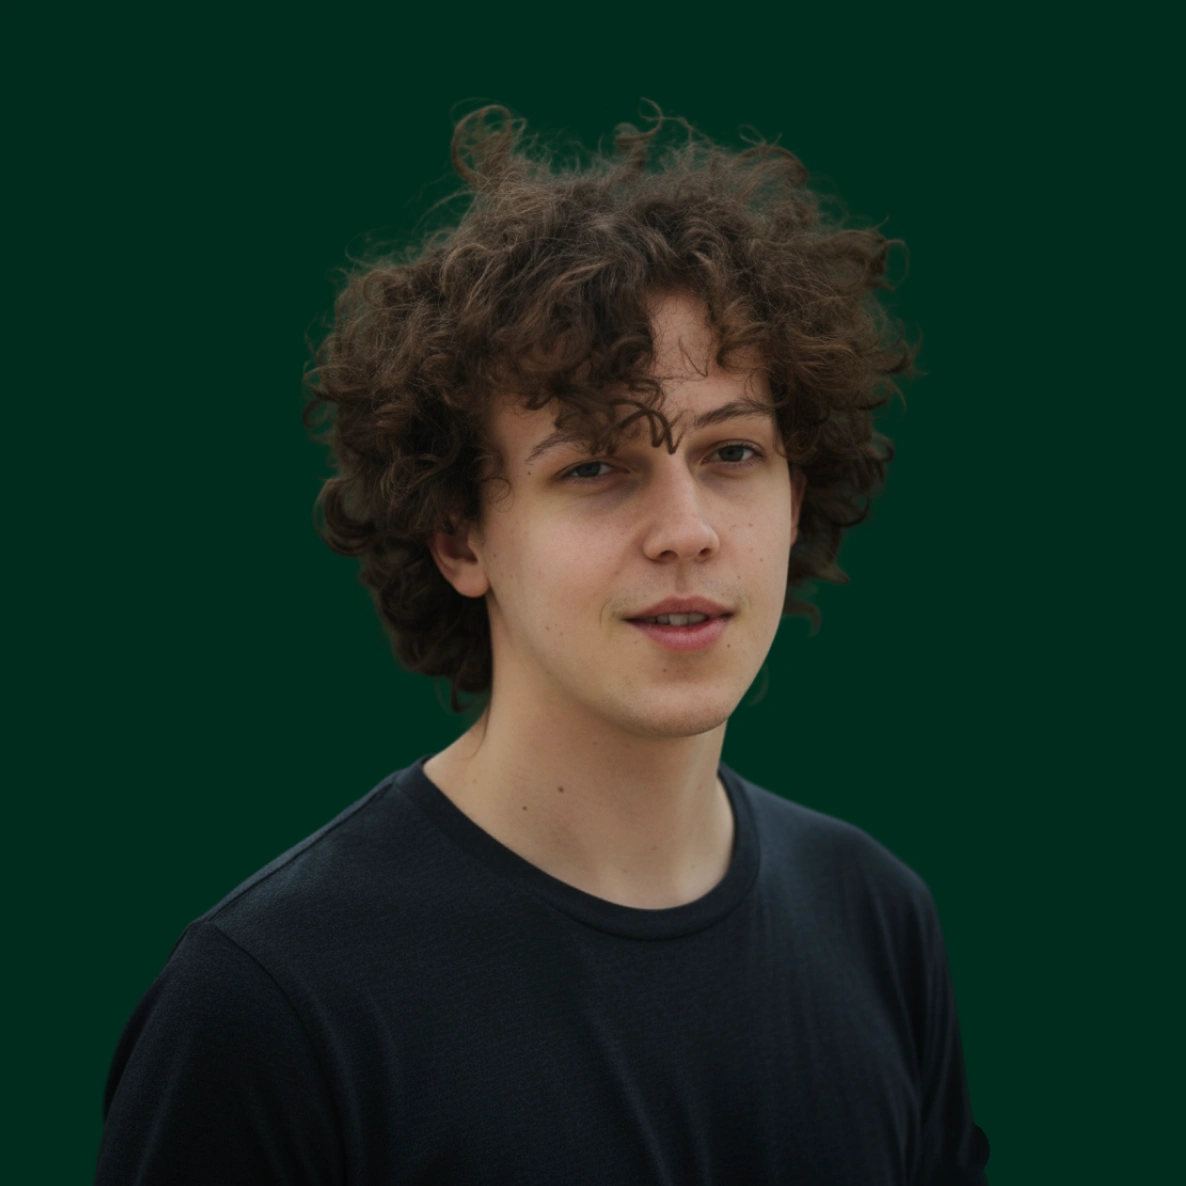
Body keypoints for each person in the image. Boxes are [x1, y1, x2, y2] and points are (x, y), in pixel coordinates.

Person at [96, 102, 991, 1184]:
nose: (688, 529)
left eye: (733, 452)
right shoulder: (269, 999)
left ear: (796, 495)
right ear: (459, 534)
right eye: (595, 467)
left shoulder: (878, 920)